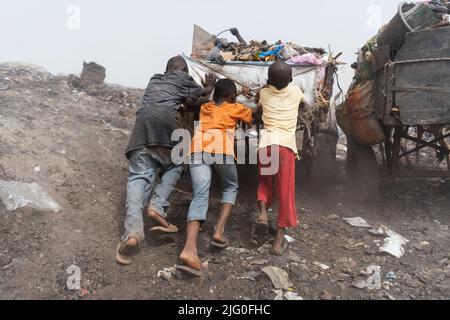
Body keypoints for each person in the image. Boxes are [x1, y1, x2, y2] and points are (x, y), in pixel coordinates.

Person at [116, 56, 215, 265]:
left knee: (138, 179)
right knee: (177, 163)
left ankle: (132, 234)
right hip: (167, 131)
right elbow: (203, 96)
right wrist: (210, 86)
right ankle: (157, 206)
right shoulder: (185, 80)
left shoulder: (154, 80)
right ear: (185, 72)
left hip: (142, 135)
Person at [177, 79, 253, 275]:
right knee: (230, 186)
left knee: (200, 195)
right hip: (221, 151)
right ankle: (218, 232)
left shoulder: (205, 107)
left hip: (197, 150)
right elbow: (250, 119)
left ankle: (189, 249)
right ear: (231, 96)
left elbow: (207, 98)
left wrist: (209, 89)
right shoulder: (235, 107)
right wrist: (247, 96)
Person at [254, 61, 304, 256]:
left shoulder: (264, 94)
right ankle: (278, 243)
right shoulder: (297, 92)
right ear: (291, 80)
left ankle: (263, 214)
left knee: (265, 182)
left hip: (266, 145)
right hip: (285, 147)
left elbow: (258, 104)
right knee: (285, 193)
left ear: (268, 80)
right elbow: (305, 104)